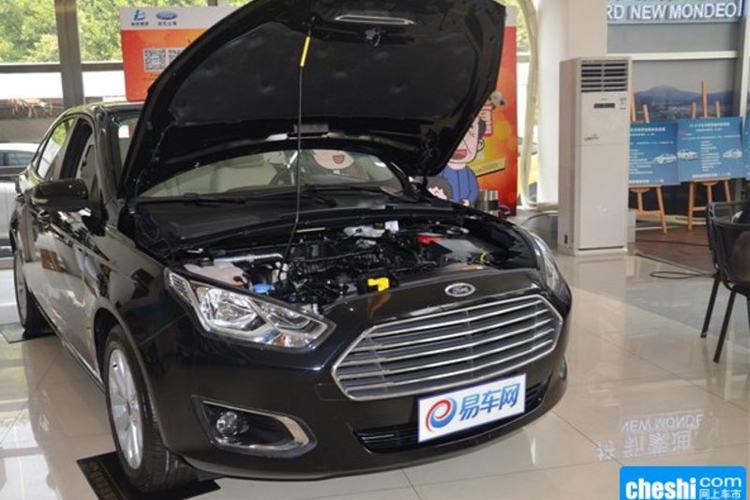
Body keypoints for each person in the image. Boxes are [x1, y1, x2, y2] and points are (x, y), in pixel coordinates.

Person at [440, 117, 486, 207]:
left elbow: (474, 190)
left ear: (479, 144)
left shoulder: (469, 173)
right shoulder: (441, 171)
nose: (460, 144)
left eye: (468, 134)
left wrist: (469, 201)